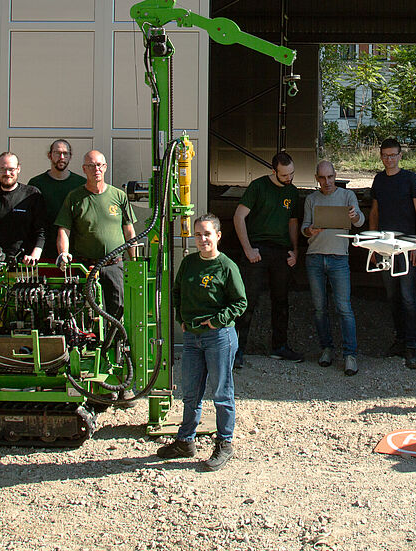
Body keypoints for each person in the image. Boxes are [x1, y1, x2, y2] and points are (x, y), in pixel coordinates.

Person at [157, 214, 247, 472]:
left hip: (219, 337)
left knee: (221, 391)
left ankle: (224, 442)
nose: (202, 239)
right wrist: (182, 319)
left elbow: (240, 302)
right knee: (190, 390)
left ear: (218, 235)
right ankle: (185, 440)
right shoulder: (188, 264)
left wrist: (218, 320)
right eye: (198, 234)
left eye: (207, 234)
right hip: (192, 336)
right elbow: (176, 292)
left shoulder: (226, 266)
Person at [233, 152, 302, 364]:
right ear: (274, 171)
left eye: (291, 173)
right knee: (248, 301)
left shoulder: (292, 192)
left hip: (281, 252)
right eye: (284, 175)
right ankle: (236, 351)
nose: (288, 178)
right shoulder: (258, 187)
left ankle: (280, 346)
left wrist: (295, 250)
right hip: (258, 250)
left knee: (281, 301)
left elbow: (292, 222)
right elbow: (239, 216)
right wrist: (248, 249)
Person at [54, 149, 138, 320]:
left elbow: (129, 231)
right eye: (91, 166)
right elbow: (63, 230)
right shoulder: (75, 198)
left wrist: (135, 262)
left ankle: (117, 344)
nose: (96, 169)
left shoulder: (118, 196)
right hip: (85, 268)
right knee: (85, 313)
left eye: (99, 165)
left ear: (105, 167)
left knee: (118, 311)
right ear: (84, 169)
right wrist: (63, 254)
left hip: (114, 265)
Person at [301, 160, 365, 375]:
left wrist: (354, 215)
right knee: (320, 308)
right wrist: (310, 230)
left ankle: (350, 355)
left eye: (330, 177)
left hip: (338, 258)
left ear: (335, 176)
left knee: (343, 307)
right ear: (317, 178)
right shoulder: (311, 199)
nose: (327, 182)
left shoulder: (347, 196)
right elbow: (304, 227)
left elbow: (359, 222)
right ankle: (326, 349)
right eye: (322, 178)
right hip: (315, 257)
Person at [368, 138, 416, 369]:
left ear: (400, 156)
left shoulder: (411, 179)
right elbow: (374, 212)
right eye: (385, 155)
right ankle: (400, 340)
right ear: (381, 157)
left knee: (408, 296)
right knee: (392, 296)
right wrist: (372, 243)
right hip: (384, 246)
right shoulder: (379, 180)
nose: (389, 159)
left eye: (393, 155)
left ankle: (412, 346)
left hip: (406, 246)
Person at [29, 139, 80, 225]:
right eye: (57, 153)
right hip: (45, 237)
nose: (62, 157)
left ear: (70, 156)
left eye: (65, 153)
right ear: (49, 155)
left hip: (73, 237)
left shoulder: (80, 183)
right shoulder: (36, 184)